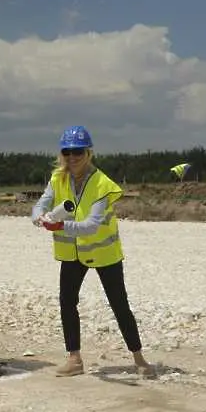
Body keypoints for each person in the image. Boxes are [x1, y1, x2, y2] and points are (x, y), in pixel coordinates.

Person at [31, 125, 155, 378]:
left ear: (88, 153)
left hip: (104, 253)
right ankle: (74, 359)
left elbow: (91, 225)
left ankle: (139, 358)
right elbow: (41, 203)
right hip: (73, 254)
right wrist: (38, 216)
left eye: (78, 151)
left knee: (119, 304)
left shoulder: (102, 184)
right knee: (67, 301)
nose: (72, 157)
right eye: (67, 151)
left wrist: (59, 225)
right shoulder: (58, 178)